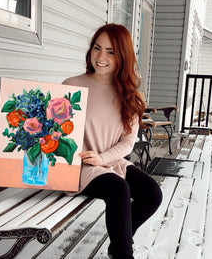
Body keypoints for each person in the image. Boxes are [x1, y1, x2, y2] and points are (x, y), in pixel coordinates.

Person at [62, 24, 162, 259]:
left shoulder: (131, 97)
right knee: (119, 189)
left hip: (109, 162)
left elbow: (127, 143)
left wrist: (103, 158)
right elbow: (47, 126)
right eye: (97, 48)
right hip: (78, 166)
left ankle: (119, 245)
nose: (101, 57)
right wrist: (8, 125)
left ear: (123, 57)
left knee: (152, 194)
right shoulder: (71, 85)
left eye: (110, 51)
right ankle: (123, 255)